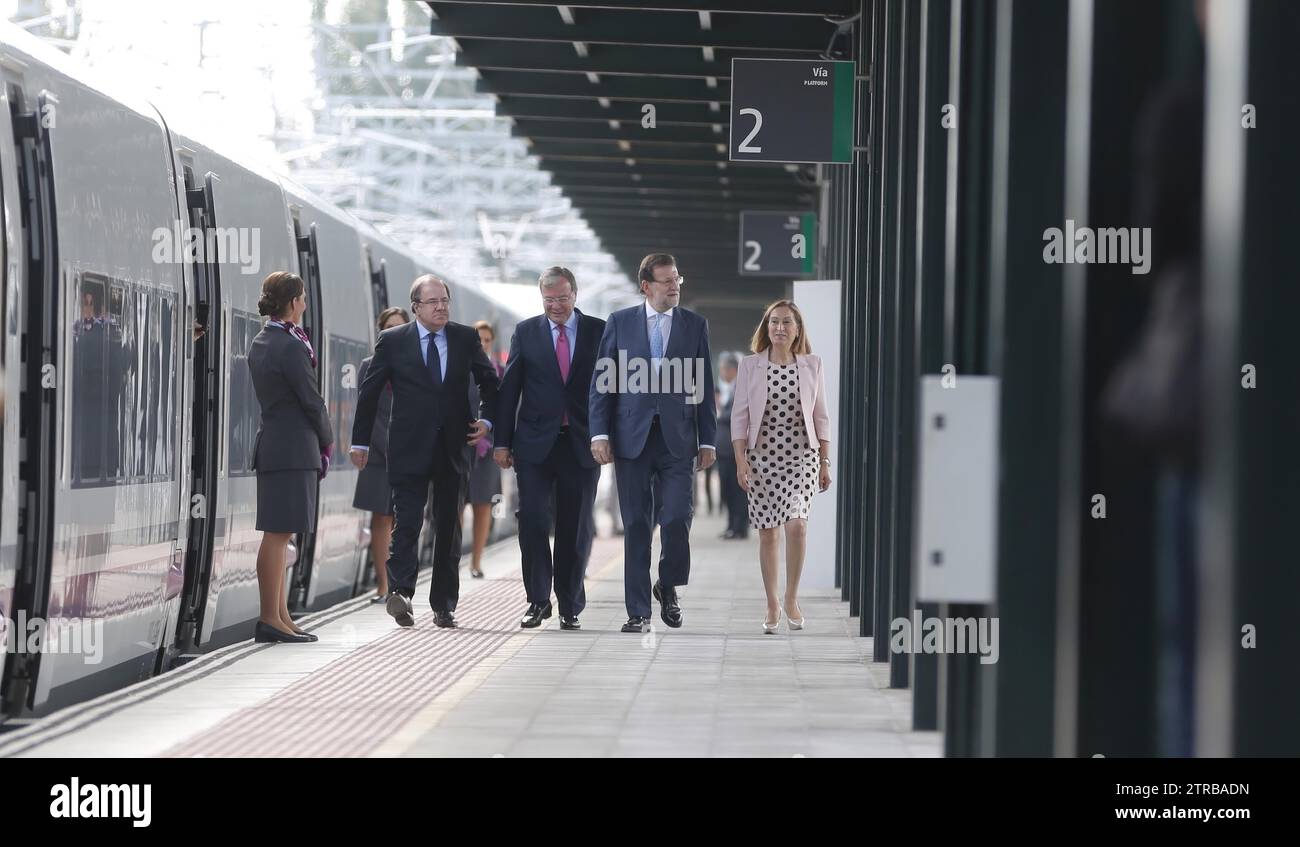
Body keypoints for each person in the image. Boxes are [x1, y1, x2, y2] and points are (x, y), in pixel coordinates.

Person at [349, 275, 499, 629]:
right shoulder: (393, 341)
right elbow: (369, 394)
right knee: (408, 523)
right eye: (433, 302)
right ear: (415, 307)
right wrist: (360, 443)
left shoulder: (464, 338)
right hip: (408, 448)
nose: (441, 307)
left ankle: (444, 604)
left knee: (448, 526)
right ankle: (400, 592)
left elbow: (490, 383)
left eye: (444, 300)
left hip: (453, 448)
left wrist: (488, 421)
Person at [589, 253, 716, 633]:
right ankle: (638, 612)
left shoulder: (695, 325)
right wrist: (599, 434)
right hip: (632, 440)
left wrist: (707, 439)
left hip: (678, 441)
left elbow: (704, 387)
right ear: (646, 285)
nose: (674, 286)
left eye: (677, 279)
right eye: (666, 281)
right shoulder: (620, 322)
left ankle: (669, 584)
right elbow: (602, 383)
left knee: (677, 517)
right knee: (637, 525)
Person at [494, 267, 606, 630]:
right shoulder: (526, 332)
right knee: (533, 521)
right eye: (548, 300)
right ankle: (538, 601)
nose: (555, 306)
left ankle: (570, 604)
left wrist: (608, 436)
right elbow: (510, 389)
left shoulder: (598, 331)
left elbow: (612, 389)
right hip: (533, 445)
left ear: (575, 294)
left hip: (581, 443)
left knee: (574, 527)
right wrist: (502, 442)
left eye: (562, 298)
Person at [731, 300, 832, 634]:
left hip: (801, 456)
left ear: (797, 329)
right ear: (766, 327)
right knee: (768, 533)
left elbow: (821, 417)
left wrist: (825, 461)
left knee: (797, 526)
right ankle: (772, 603)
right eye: (774, 322)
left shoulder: (812, 365)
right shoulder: (750, 365)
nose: (779, 328)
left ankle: (791, 597)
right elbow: (740, 417)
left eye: (787, 322)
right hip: (762, 457)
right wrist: (741, 460)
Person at [247, 271, 332, 644]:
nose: (305, 305)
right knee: (278, 535)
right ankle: (270, 618)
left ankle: (280, 615)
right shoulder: (291, 345)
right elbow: (310, 399)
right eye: (302, 298)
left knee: (279, 534)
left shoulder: (264, 340)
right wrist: (327, 439)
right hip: (293, 446)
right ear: (294, 302)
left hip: (276, 444)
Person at [353, 306, 410, 602]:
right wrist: (381, 445)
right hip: (378, 454)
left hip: (408, 452)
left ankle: (401, 583)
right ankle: (383, 585)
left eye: (400, 327)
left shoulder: (417, 365)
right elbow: (366, 409)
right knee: (380, 517)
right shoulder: (368, 365)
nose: (394, 332)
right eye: (389, 328)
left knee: (404, 518)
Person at [466, 320, 506, 578]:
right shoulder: (460, 370)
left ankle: (476, 561)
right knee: (456, 503)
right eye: (478, 340)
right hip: (461, 446)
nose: (482, 344)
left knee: (482, 505)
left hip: (487, 450)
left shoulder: (500, 373)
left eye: (487, 340)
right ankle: (455, 554)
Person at [715, 353, 749, 540]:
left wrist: (718, 414)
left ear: (732, 370)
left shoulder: (740, 389)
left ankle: (740, 527)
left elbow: (736, 415)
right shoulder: (729, 389)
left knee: (738, 492)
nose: (722, 373)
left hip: (733, 450)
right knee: (727, 490)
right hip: (724, 451)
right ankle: (731, 526)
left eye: (723, 369)